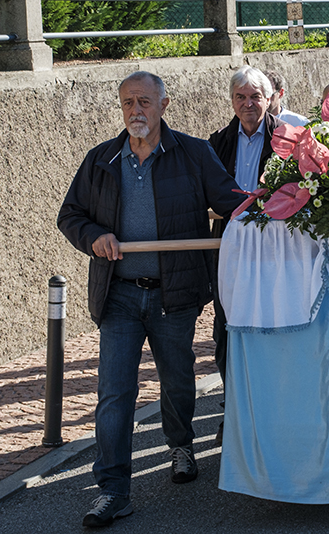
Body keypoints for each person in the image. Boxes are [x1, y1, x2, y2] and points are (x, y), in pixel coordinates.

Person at [57, 72, 240, 528]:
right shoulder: (101, 159)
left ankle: (180, 445)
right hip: (118, 295)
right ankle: (113, 490)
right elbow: (70, 215)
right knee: (114, 394)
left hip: (173, 295)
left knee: (177, 382)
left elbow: (234, 203)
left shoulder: (194, 154)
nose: (135, 111)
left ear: (164, 104)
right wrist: (95, 235)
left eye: (143, 101)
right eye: (127, 103)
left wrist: (279, 209)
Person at [207, 67, 279, 396]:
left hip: (273, 248)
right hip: (229, 246)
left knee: (270, 325)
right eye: (241, 97)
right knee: (226, 328)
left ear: (269, 99)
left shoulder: (287, 139)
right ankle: (234, 406)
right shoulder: (216, 143)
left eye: (255, 97)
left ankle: (269, 404)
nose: (248, 104)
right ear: (232, 101)